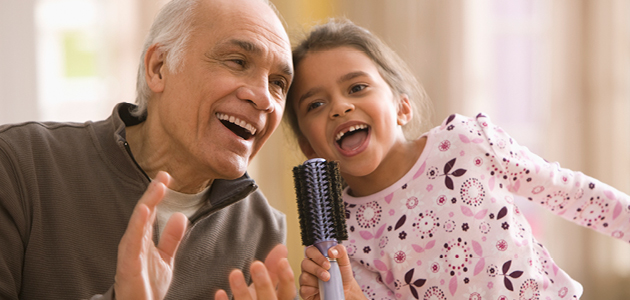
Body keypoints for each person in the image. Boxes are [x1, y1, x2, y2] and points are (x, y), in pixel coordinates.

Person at [285, 19, 630, 299]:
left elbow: (568, 191)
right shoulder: (346, 242)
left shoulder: (465, 142)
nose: (340, 107)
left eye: (357, 88)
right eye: (315, 104)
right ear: (310, 149)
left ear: (402, 107)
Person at [0, 0, 297, 299]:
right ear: (158, 68)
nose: (264, 99)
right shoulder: (18, 166)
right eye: (237, 61)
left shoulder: (263, 230)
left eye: (278, 83)